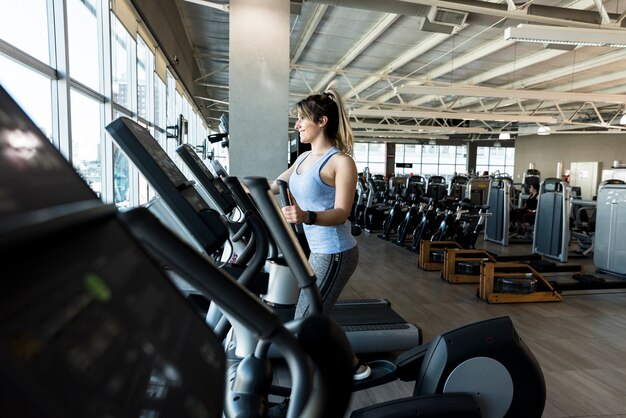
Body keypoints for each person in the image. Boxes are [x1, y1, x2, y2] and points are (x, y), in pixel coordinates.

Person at [270, 89, 371, 380]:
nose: (297, 125)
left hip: (336, 251)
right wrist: (234, 186)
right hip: (318, 250)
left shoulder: (341, 162)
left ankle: (339, 373)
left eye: (302, 119)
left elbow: (342, 212)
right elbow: (273, 185)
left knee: (306, 320)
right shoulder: (302, 161)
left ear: (322, 121)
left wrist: (306, 216)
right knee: (316, 313)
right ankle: (348, 365)